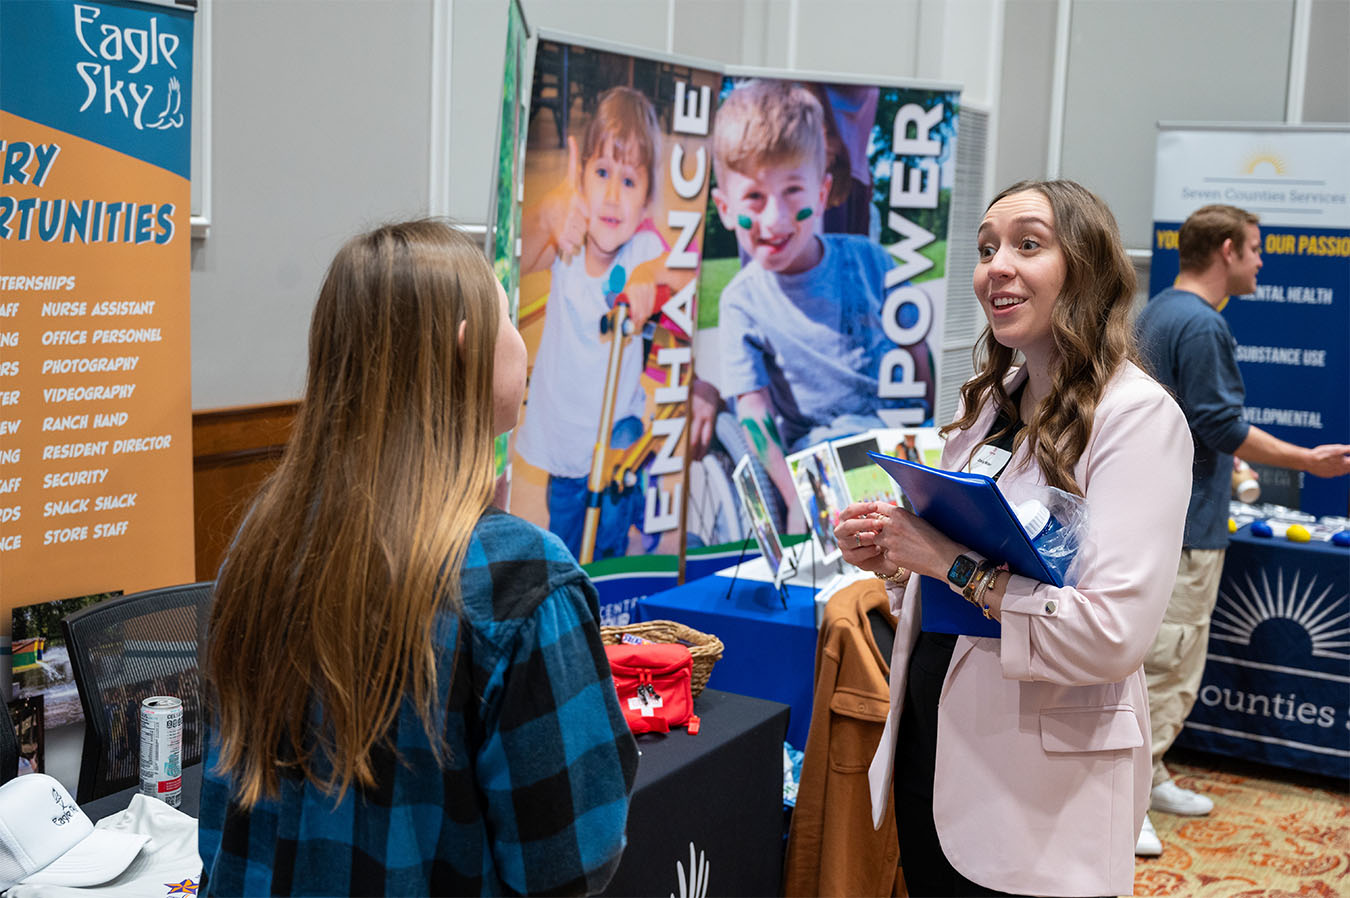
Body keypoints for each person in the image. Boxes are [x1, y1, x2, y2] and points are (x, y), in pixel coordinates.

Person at [199, 221, 639, 896]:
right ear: (468, 350)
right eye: (510, 315)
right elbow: (571, 860)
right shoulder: (523, 583)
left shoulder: (258, 547)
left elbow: (223, 820)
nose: (526, 342)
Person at [834, 180, 1193, 897]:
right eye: (987, 247)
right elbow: (949, 582)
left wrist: (947, 561)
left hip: (1040, 792)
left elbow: (1112, 635)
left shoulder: (1137, 419)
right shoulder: (988, 410)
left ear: (1086, 270)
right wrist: (897, 559)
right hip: (938, 756)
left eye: (1028, 244)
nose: (996, 264)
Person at [1132, 203, 1350, 854]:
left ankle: (1149, 776)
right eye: (1255, 249)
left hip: (1166, 517)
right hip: (1184, 529)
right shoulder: (1200, 326)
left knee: (1158, 661)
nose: (1261, 262)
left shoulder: (1161, 311)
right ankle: (1125, 798)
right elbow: (1220, 425)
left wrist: (1238, 477)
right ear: (1226, 250)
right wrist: (1306, 460)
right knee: (1164, 668)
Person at [710, 79, 935, 533]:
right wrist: (794, 497)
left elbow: (918, 363)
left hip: (897, 445)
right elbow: (752, 413)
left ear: (821, 191)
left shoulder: (872, 261)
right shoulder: (741, 302)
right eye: (754, 196)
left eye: (793, 190)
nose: (775, 217)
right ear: (725, 206)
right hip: (819, 459)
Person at [515, 85, 668, 561]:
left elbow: (681, 267)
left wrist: (648, 275)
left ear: (646, 202)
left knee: (608, 547)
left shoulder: (643, 249)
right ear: (580, 176)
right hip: (564, 443)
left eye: (628, 182)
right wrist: (548, 214)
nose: (611, 195)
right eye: (601, 172)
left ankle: (636, 514)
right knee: (564, 546)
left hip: (615, 445)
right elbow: (515, 259)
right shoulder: (568, 246)